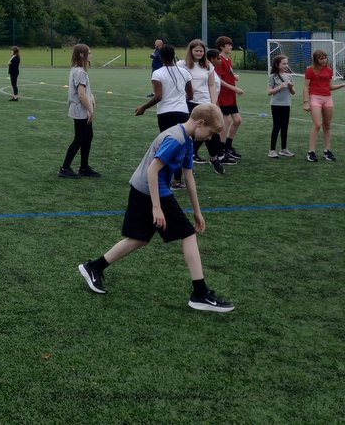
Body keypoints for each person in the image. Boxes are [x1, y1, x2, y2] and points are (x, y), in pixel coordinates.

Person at [76, 103, 233, 312]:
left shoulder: (187, 140)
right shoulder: (176, 139)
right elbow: (152, 170)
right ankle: (200, 293)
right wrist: (157, 207)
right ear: (200, 123)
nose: (210, 137)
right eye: (211, 133)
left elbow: (188, 177)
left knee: (140, 238)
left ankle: (94, 267)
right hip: (150, 190)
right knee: (188, 234)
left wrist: (197, 211)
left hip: (146, 189)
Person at [136, 44, 191, 188]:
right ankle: (178, 180)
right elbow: (190, 95)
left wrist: (143, 107)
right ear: (174, 56)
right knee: (181, 145)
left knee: (167, 144)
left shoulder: (158, 73)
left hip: (165, 113)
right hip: (183, 112)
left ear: (160, 57)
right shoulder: (184, 72)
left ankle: (163, 176)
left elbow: (158, 96)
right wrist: (179, 101)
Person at [181, 40, 225, 175]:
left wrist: (213, 104)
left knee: (212, 131)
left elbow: (212, 85)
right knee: (190, 134)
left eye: (201, 51)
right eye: (196, 51)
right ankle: (188, 162)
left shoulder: (208, 65)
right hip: (188, 103)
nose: (199, 53)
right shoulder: (182, 64)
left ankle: (214, 159)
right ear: (191, 51)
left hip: (205, 103)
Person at [303, 48, 345, 162]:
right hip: (315, 97)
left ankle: (327, 151)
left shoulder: (329, 70)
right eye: (321, 59)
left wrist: (343, 85)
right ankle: (311, 152)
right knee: (317, 124)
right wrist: (306, 102)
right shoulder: (310, 70)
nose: (323, 60)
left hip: (327, 98)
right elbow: (306, 87)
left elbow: (330, 87)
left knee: (327, 125)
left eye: (325, 58)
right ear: (316, 59)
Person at [59, 43, 99, 178]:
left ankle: (84, 167)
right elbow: (81, 94)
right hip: (80, 111)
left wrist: (91, 96)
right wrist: (90, 110)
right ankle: (65, 168)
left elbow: (85, 91)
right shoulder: (80, 72)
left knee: (88, 136)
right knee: (80, 138)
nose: (91, 55)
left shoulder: (77, 70)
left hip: (82, 110)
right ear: (82, 55)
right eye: (89, 53)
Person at [214, 37, 245, 161]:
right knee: (226, 122)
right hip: (223, 95)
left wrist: (234, 76)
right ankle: (220, 151)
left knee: (237, 120)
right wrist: (234, 88)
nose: (231, 47)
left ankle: (228, 147)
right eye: (228, 45)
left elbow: (227, 74)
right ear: (222, 47)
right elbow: (218, 80)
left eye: (231, 45)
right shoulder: (219, 60)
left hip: (230, 96)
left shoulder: (228, 59)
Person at [267, 54, 296, 158]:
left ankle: (284, 149)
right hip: (276, 105)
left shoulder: (289, 76)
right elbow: (269, 92)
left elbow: (293, 93)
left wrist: (291, 87)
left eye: (287, 63)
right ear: (277, 65)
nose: (286, 65)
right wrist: (280, 86)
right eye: (284, 64)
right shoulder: (273, 76)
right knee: (276, 126)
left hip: (286, 104)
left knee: (285, 127)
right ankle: (272, 150)